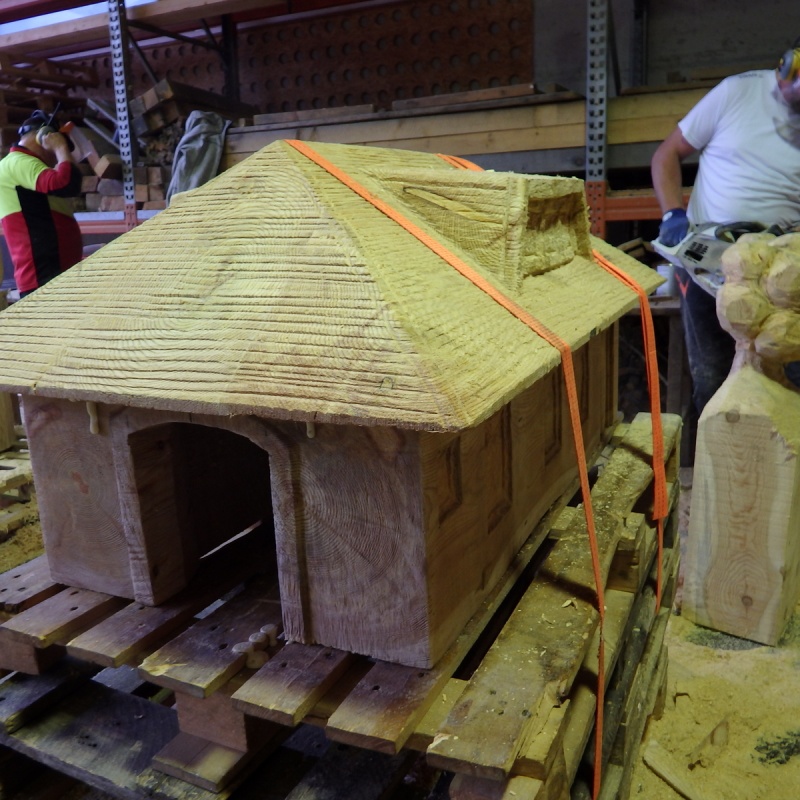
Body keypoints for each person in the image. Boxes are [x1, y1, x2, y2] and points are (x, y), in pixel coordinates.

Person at [651, 39, 800, 415]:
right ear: (786, 66)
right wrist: (672, 214)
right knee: (712, 378)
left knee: (791, 377)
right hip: (710, 265)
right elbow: (667, 154)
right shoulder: (737, 92)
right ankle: (714, 451)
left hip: (783, 270)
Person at [0, 110, 83, 298]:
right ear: (44, 137)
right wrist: (60, 148)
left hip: (50, 275)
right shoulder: (18, 162)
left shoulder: (22, 166)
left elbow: (69, 183)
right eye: (54, 148)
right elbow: (67, 183)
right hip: (44, 278)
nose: (55, 158)